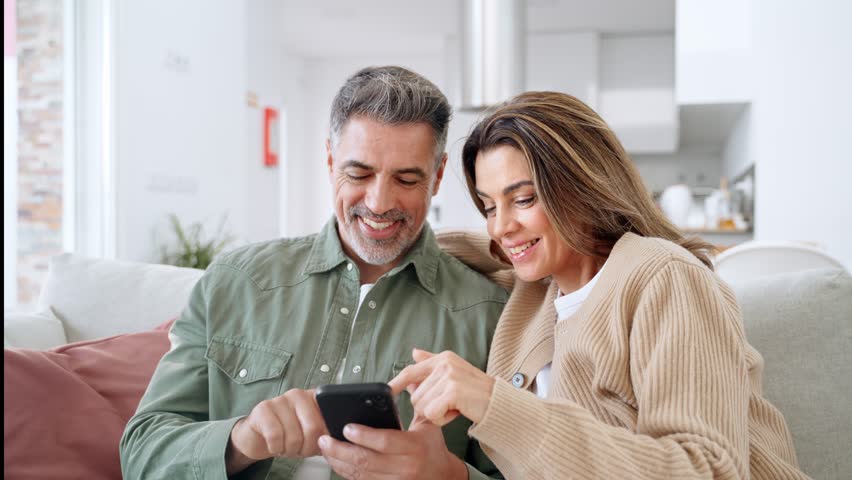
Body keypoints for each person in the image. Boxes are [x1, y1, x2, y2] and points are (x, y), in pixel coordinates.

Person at [390, 91, 810, 479]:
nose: (501, 226)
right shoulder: (537, 286)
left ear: (582, 183)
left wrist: (492, 401)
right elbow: (468, 247)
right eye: (488, 206)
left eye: (523, 199)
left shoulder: (664, 279)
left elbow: (708, 470)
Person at [120, 66, 508, 480]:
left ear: (438, 177)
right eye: (358, 174)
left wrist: (449, 475)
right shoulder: (235, 281)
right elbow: (142, 452)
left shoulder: (489, 316)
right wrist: (242, 440)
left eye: (407, 179)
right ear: (329, 160)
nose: (379, 202)